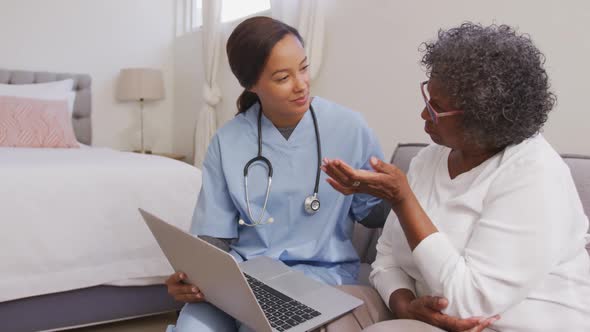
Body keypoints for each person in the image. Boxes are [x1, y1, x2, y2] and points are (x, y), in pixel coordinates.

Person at [322, 23, 590, 331]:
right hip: (422, 314)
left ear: (482, 118)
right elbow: (386, 258)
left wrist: (403, 200)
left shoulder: (536, 176)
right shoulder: (429, 159)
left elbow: (467, 304)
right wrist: (405, 305)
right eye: (427, 98)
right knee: (328, 310)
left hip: (505, 325)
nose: (424, 115)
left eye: (436, 108)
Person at [164, 16, 391, 332]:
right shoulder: (227, 141)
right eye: (283, 77)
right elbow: (213, 237)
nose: (301, 84)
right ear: (252, 85)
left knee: (260, 326)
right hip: (243, 278)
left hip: (320, 277)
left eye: (304, 67)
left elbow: (376, 215)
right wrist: (195, 278)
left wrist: (383, 189)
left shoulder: (350, 128)